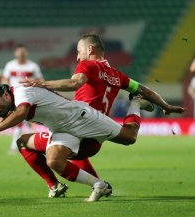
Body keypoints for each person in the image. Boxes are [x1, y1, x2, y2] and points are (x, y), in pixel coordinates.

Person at [18, 33, 185, 198]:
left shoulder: (87, 66)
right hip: (95, 137)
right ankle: (97, 184)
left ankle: (54, 185)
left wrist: (43, 84)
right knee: (70, 152)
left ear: (89, 49)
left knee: (26, 143)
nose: (77, 57)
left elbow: (75, 83)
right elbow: (146, 90)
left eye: (78, 51)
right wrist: (166, 106)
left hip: (78, 123)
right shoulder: (117, 75)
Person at [0, 82, 166, 201]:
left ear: (5, 94)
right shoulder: (11, 100)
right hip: (63, 130)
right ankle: (93, 185)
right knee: (49, 158)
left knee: (129, 137)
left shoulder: (23, 91)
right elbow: (10, 113)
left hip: (81, 117)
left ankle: (135, 102)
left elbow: (21, 113)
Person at [1, 44, 44, 154]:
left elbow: (40, 80)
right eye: (19, 52)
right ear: (15, 53)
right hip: (14, 96)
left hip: (29, 96)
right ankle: (18, 145)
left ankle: (18, 146)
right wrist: (4, 93)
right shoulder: (10, 65)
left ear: (26, 53)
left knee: (23, 119)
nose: (21, 54)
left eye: (23, 52)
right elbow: (5, 79)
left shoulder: (32, 66)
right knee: (20, 119)